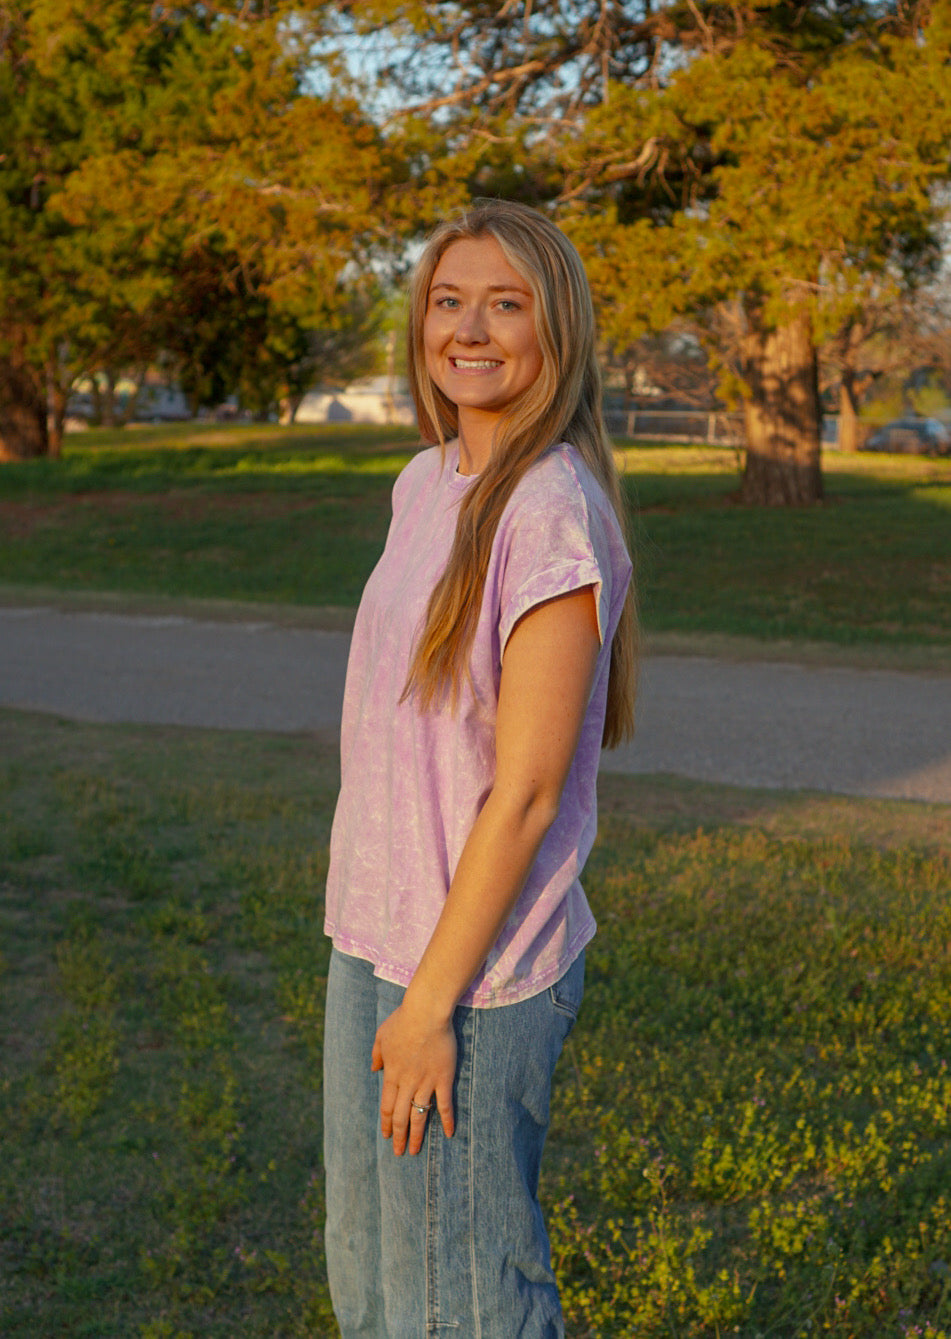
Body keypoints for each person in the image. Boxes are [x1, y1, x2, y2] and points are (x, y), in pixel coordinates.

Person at [322, 198, 638, 1338]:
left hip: (472, 970)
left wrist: (431, 1004)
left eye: (505, 304)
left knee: (458, 1305)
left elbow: (529, 793)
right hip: (373, 936)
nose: (468, 329)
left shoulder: (550, 509)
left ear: (556, 330)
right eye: (448, 301)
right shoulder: (425, 481)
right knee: (374, 1289)